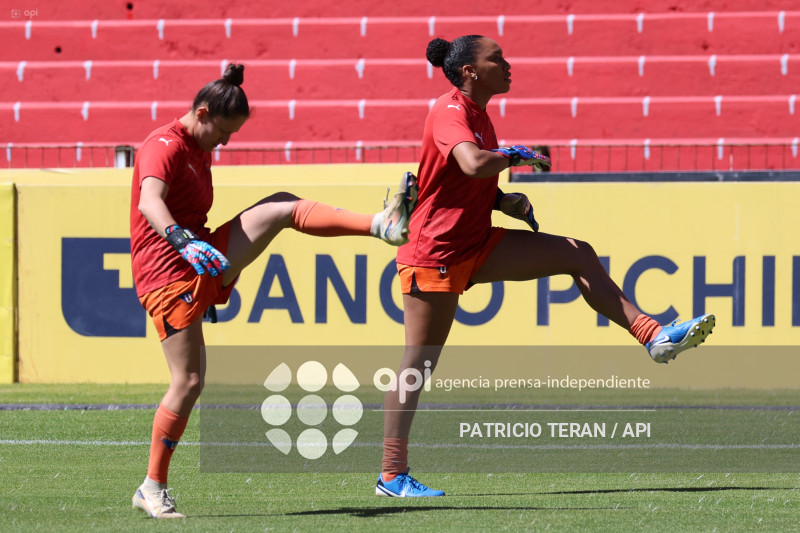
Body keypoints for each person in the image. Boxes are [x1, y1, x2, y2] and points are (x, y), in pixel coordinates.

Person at [375, 35, 716, 498]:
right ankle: (391, 476)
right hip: (435, 252)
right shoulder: (449, 110)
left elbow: (460, 182)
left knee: (576, 251)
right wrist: (515, 155)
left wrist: (503, 201)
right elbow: (473, 163)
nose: (508, 64)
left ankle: (654, 337)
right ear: (471, 71)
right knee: (418, 364)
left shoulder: (479, 115)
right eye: (497, 59)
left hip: (475, 242)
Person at [129, 63, 418, 518]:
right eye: (223, 132)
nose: (224, 142)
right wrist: (182, 241)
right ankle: (151, 488)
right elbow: (150, 201)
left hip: (200, 256)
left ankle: (382, 224)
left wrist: (199, 251)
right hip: (169, 272)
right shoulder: (162, 146)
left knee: (281, 204)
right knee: (187, 382)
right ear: (202, 113)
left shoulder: (198, 144)